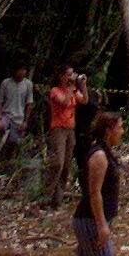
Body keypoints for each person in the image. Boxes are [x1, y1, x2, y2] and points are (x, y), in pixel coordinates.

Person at [60, 110, 122, 256]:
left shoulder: (104, 153)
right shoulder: (99, 156)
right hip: (90, 221)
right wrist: (101, 225)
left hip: (89, 220)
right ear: (108, 130)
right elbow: (94, 193)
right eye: (119, 127)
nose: (122, 131)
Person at [48, 66, 88, 209]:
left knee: (66, 164)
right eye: (69, 75)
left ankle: (57, 199)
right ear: (62, 76)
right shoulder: (55, 91)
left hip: (70, 129)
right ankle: (48, 194)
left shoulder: (73, 90)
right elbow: (64, 102)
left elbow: (84, 100)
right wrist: (71, 88)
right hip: (58, 129)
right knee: (58, 162)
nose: (71, 77)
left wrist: (83, 86)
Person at [0, 60, 34, 154]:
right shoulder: (6, 83)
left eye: (24, 70)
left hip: (19, 118)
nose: (22, 72)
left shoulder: (28, 84)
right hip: (6, 115)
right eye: (20, 70)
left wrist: (25, 121)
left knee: (13, 142)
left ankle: (8, 157)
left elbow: (29, 103)